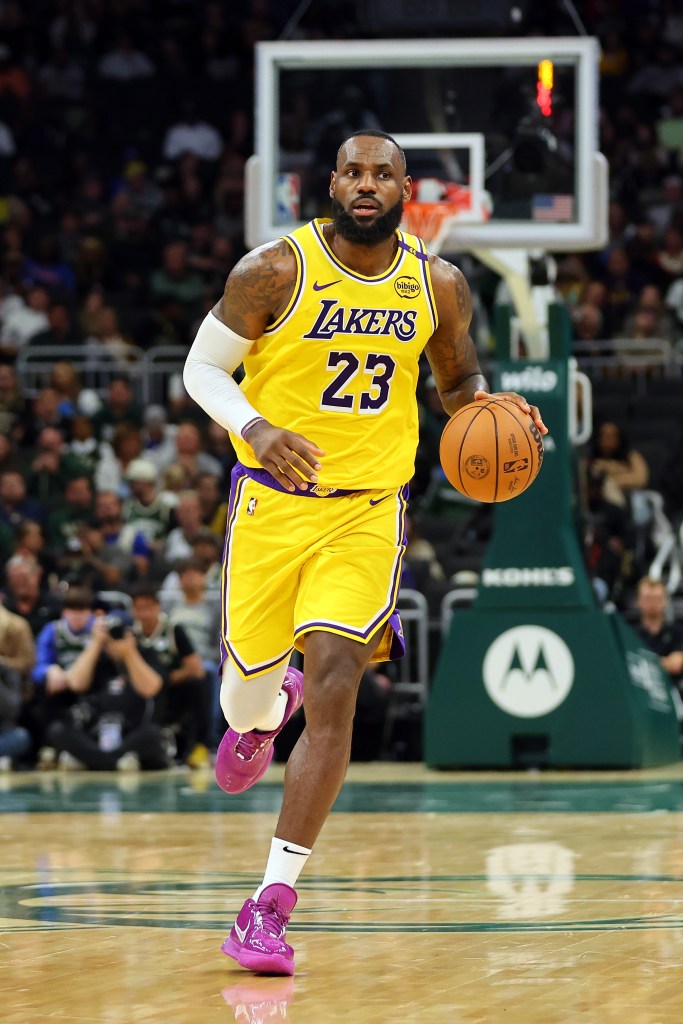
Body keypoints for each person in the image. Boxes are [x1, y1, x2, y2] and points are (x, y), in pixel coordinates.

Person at [183, 129, 547, 976]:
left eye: (383, 173)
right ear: (332, 184)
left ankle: (268, 906)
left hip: (367, 514)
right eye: (352, 170)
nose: (366, 183)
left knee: (340, 686)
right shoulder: (271, 270)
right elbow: (203, 371)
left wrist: (488, 409)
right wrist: (256, 426)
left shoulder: (439, 283)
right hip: (274, 506)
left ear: (405, 190)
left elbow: (456, 385)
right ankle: (267, 714)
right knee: (245, 707)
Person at [634, 576, 683, 695]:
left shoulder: (677, 631)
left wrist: (644, 665)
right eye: (647, 598)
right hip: (639, 693)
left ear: (665, 600)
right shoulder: (631, 633)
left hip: (671, 692)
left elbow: (676, 664)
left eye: (656, 598)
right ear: (638, 601)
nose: (652, 604)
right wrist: (664, 662)